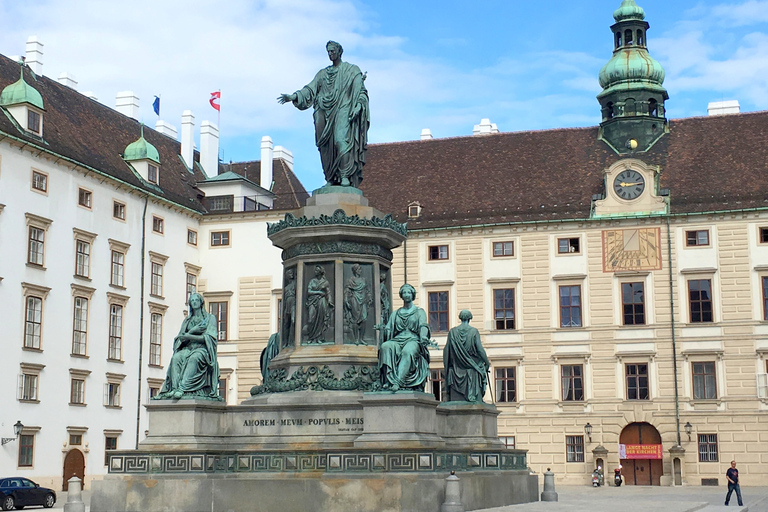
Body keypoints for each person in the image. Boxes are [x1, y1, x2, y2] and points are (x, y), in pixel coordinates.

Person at [278, 41, 369, 187]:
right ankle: (331, 177)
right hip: (323, 112)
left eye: (333, 51)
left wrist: (358, 105)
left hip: (343, 109)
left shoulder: (352, 70)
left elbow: (361, 91)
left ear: (339, 51)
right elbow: (310, 89)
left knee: (341, 140)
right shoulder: (322, 74)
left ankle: (345, 175)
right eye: (328, 52)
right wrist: (294, 96)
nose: (330, 54)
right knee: (326, 147)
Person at [155, 292, 222, 400]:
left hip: (202, 349)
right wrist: (192, 332)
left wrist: (189, 336)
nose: (194, 302)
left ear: (201, 303)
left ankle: (182, 389)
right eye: (192, 300)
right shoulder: (187, 320)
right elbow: (180, 339)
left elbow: (209, 338)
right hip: (187, 348)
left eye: (196, 300)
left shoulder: (210, 318)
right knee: (176, 358)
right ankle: (174, 389)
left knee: (194, 358)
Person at [376, 284, 431, 391]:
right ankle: (389, 380)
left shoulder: (419, 312)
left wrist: (423, 336)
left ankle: (397, 382)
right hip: (397, 340)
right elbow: (389, 329)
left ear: (413, 295)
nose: (406, 295)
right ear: (401, 295)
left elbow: (423, 326)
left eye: (409, 292)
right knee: (386, 346)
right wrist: (382, 329)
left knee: (408, 351)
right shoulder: (396, 313)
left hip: (413, 340)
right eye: (404, 292)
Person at [443, 310, 490, 402]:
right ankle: (475, 395)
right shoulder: (474, 332)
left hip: (456, 369)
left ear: (460, 318)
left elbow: (446, 351)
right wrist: (487, 363)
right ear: (470, 319)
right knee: (479, 369)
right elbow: (480, 349)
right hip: (472, 368)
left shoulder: (452, 332)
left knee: (477, 368)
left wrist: (447, 368)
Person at [303, 265, 334, 343]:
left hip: (321, 301)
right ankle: (311, 337)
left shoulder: (325, 282)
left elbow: (328, 293)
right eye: (315, 270)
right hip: (312, 301)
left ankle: (319, 338)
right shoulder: (312, 281)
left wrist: (330, 301)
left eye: (317, 270)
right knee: (311, 319)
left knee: (321, 319)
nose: (315, 272)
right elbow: (309, 292)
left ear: (321, 272)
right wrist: (319, 292)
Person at [344, 263, 371, 344]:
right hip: (354, 299)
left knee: (364, 319)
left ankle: (361, 338)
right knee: (355, 320)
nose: (360, 270)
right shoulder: (351, 280)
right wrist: (346, 300)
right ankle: (356, 339)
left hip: (363, 300)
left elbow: (368, 290)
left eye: (360, 269)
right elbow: (347, 291)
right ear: (355, 270)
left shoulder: (364, 280)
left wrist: (369, 297)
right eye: (359, 269)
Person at [281, 268, 296, 348]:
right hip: (287, 305)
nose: (291, 274)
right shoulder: (286, 287)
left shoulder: (295, 284)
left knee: (293, 321)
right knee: (286, 323)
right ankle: (285, 342)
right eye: (290, 273)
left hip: (293, 304)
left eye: (292, 273)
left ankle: (293, 341)